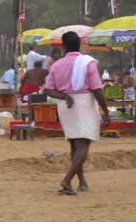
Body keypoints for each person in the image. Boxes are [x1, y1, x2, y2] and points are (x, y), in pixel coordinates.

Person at [44, 31, 110, 195]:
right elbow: (96, 89)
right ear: (79, 45)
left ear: (63, 46)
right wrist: (106, 111)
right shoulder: (88, 63)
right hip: (84, 103)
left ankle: (81, 182)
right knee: (82, 146)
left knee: (75, 144)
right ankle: (67, 180)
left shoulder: (56, 65)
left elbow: (48, 90)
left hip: (66, 105)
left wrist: (64, 95)